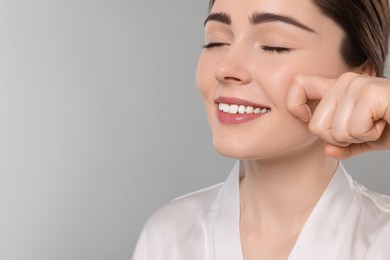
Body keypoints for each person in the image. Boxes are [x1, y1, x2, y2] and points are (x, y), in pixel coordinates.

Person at [132, 0, 390, 259]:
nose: (225, 69)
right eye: (216, 42)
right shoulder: (168, 235)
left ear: (362, 76)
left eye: (274, 46)